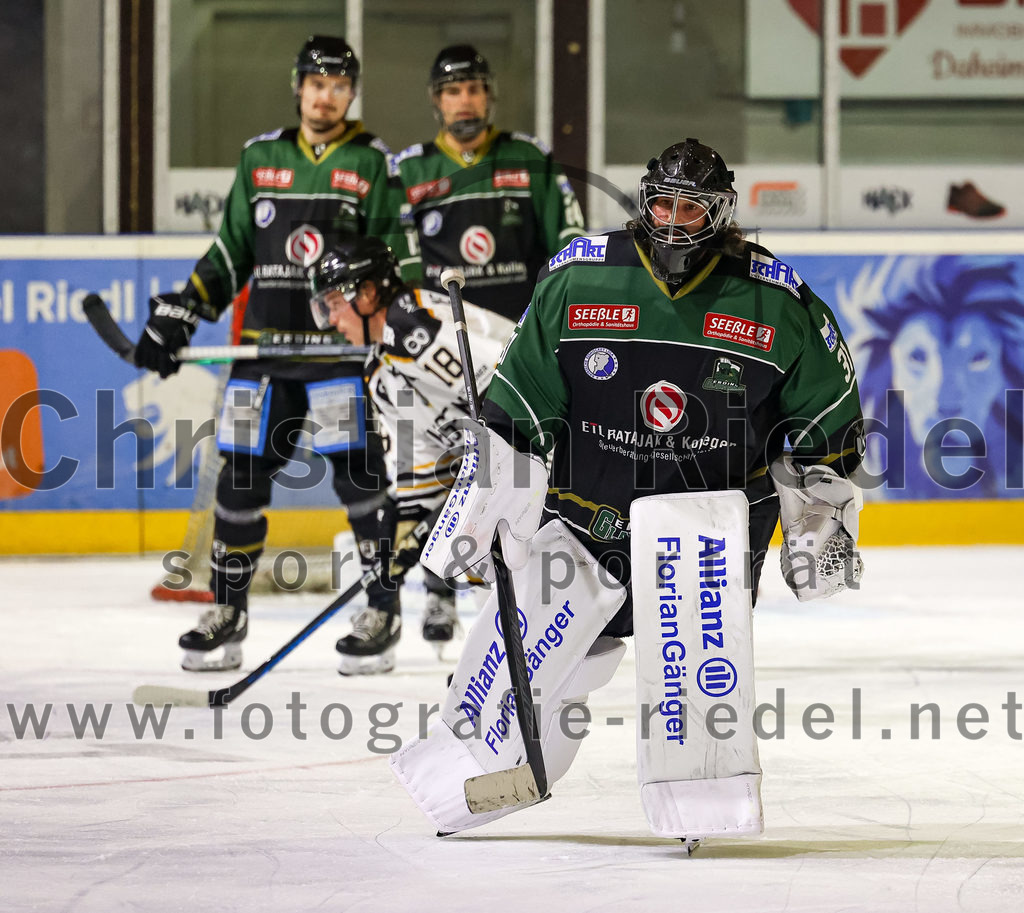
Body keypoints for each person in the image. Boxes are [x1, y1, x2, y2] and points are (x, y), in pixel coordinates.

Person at [395, 138, 867, 835]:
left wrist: (822, 518)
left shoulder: (777, 299)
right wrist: (487, 496)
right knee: (549, 669)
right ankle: (482, 772)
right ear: (643, 202)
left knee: (695, 674)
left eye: (691, 208)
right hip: (588, 514)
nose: (673, 221)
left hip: (708, 528)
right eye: (662, 204)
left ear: (722, 213)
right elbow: (519, 406)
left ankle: (706, 795)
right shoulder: (580, 277)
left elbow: (830, 425)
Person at [133, 36, 405, 672]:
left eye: (339, 87)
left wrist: (392, 331)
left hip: (337, 355)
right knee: (240, 480)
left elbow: (393, 260)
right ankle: (227, 613)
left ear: (351, 94)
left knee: (359, 478)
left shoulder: (371, 163)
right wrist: (185, 310)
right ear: (298, 87)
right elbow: (232, 251)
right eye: (317, 84)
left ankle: (381, 613)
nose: (326, 97)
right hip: (261, 352)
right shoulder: (260, 157)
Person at [307, 232, 516, 673]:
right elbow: (418, 464)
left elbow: (508, 386)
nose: (331, 318)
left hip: (548, 450)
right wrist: (398, 548)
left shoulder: (414, 324)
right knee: (477, 554)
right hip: (501, 467)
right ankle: (507, 670)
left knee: (504, 552)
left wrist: (480, 464)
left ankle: (519, 671)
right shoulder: (380, 369)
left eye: (335, 303)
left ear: (367, 293)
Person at [391, 44, 585, 323]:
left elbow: (569, 241)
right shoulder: (409, 170)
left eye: (474, 89)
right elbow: (398, 262)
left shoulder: (528, 156)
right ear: (437, 100)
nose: (465, 101)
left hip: (523, 325)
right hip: (442, 329)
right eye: (453, 91)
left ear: (488, 95)